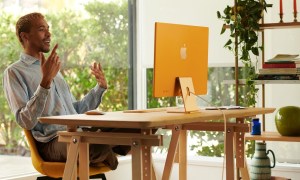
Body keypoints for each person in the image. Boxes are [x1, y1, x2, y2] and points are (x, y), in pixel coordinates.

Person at [2, 12, 124, 170]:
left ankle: (108, 150)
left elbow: (75, 111)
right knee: (94, 146)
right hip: (52, 142)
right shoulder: (14, 72)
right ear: (25, 36)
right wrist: (45, 83)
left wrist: (99, 88)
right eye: (41, 29)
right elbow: (25, 120)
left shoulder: (53, 69)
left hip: (77, 132)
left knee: (135, 129)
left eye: (48, 28)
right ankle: (108, 150)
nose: (48, 34)